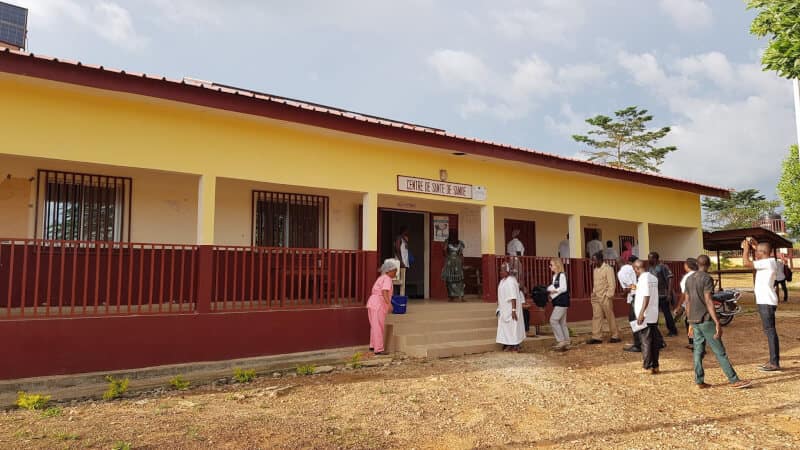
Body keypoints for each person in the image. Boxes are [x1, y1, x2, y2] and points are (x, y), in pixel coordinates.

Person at [687, 255, 752, 389]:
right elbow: (708, 300)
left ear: (697, 264)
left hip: (694, 319)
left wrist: (689, 321)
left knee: (698, 351)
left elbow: (687, 301)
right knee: (720, 351)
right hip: (706, 319)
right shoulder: (707, 278)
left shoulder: (689, 279)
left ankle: (699, 380)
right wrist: (717, 322)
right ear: (708, 265)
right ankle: (734, 380)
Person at [742, 237, 781, 371]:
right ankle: (773, 361)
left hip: (766, 301)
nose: (755, 253)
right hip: (766, 300)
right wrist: (755, 245)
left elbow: (746, 263)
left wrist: (746, 249)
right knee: (770, 331)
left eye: (756, 251)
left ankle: (774, 363)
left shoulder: (767, 263)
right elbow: (763, 251)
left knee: (770, 331)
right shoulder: (769, 261)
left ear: (762, 253)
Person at [633, 259, 662, 374]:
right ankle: (655, 365)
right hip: (653, 314)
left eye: (634, 269)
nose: (635, 272)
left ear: (637, 268)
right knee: (653, 341)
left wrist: (641, 313)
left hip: (645, 315)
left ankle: (648, 366)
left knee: (646, 341)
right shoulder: (653, 278)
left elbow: (646, 296)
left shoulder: (643, 279)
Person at [587, 252, 620, 344]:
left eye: (594, 260)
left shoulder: (608, 269)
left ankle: (615, 336)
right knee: (596, 316)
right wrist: (593, 293)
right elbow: (595, 283)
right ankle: (596, 337)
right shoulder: (595, 270)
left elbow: (612, 284)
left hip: (605, 297)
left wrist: (608, 295)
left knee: (609, 316)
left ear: (600, 259)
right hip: (596, 297)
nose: (593, 262)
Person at [367, 259, 398, 355]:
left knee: (374, 326)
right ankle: (379, 349)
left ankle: (373, 345)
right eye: (394, 271)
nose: (395, 273)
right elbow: (384, 291)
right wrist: (389, 304)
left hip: (372, 303)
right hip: (378, 304)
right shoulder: (387, 279)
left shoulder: (381, 278)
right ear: (389, 271)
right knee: (379, 327)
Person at [496, 262, 526, 352]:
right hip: (504, 308)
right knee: (506, 328)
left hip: (511, 309)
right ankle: (509, 344)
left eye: (502, 270)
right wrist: (498, 308)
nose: (500, 272)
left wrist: (513, 310)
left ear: (507, 271)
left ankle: (516, 345)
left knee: (513, 327)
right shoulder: (502, 281)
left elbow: (513, 297)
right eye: (500, 270)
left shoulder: (511, 281)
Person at [648, 252, 678, 337]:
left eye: (650, 258)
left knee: (666, 313)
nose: (649, 259)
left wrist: (669, 293)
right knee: (654, 313)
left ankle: (672, 330)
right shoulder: (650, 268)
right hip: (653, 295)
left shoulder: (663, 267)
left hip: (663, 294)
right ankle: (654, 331)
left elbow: (670, 279)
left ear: (655, 258)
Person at [618, 255, 642, 352]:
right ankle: (658, 341)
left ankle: (638, 344)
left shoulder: (621, 272)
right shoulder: (632, 268)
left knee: (633, 320)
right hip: (641, 295)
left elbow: (630, 286)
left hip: (635, 296)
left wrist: (623, 294)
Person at [547, 257, 570, 351]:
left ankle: (561, 341)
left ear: (557, 265)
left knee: (553, 320)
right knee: (562, 323)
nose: (550, 266)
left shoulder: (562, 275)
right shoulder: (555, 276)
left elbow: (563, 288)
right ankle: (567, 342)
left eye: (551, 265)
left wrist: (554, 291)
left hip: (562, 301)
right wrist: (549, 291)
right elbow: (553, 287)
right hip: (559, 301)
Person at [675, 258, 698, 350]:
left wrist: (679, 305)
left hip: (690, 304)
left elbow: (684, 293)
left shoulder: (687, 277)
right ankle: (697, 343)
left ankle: (693, 343)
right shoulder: (701, 275)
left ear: (687, 266)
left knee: (690, 323)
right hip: (701, 303)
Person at [442, 230, 466, 302]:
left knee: (459, 280)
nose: (453, 236)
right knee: (450, 280)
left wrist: (462, 263)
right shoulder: (447, 242)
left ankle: (460, 296)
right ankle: (452, 296)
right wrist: (446, 244)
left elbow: (461, 254)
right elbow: (444, 252)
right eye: (452, 235)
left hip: (455, 263)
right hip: (451, 263)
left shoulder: (460, 243)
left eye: (454, 235)